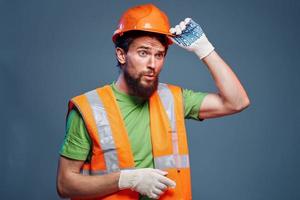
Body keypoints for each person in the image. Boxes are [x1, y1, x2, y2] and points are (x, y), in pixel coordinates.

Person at [56, 3, 250, 200]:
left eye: (159, 55)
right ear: (121, 54)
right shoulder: (89, 108)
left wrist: (204, 49)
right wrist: (126, 180)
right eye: (143, 53)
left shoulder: (174, 99)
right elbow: (65, 185)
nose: (153, 64)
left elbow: (236, 101)